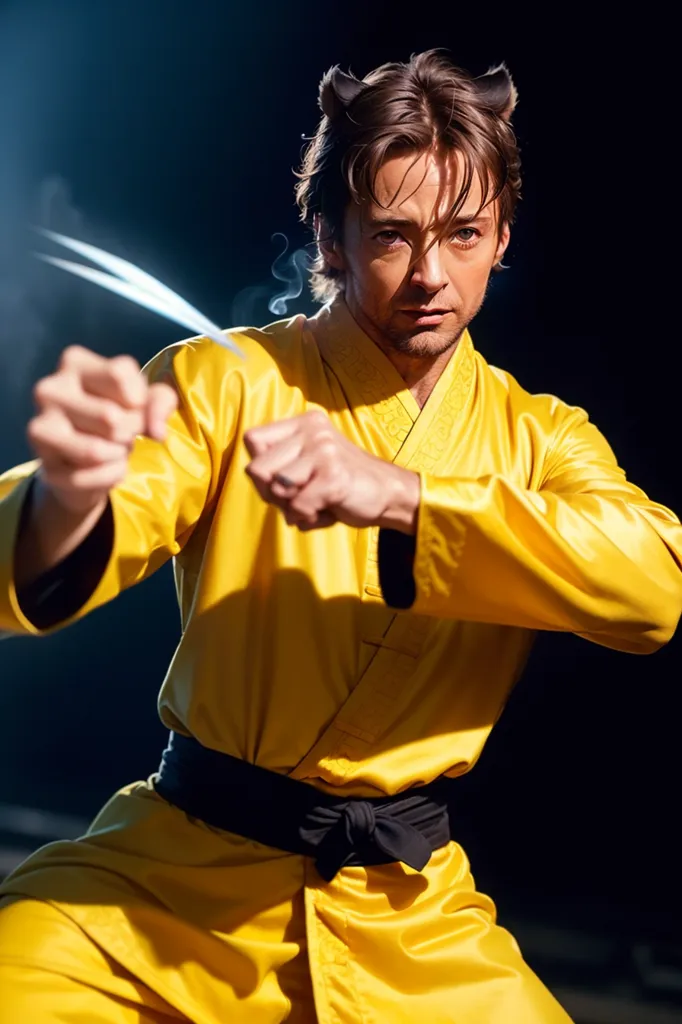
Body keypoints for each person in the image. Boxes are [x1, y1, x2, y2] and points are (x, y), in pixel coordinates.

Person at [0, 49, 680, 1024]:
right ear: (330, 237)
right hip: (165, 890)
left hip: (412, 925)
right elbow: (80, 535)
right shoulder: (222, 381)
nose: (429, 275)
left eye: (463, 234)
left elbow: (655, 588)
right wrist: (67, 493)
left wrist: (405, 497)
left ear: (501, 239)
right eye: (393, 236)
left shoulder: (542, 438)